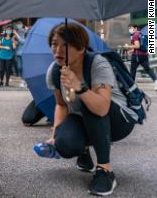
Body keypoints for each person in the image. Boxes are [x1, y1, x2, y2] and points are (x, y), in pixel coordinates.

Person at [45, 23, 137, 196]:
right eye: (54, 44)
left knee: (91, 106)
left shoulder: (98, 64)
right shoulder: (55, 71)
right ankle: (83, 150)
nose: (57, 51)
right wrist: (54, 134)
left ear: (81, 49)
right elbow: (61, 105)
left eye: (65, 46)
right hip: (86, 117)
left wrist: (79, 87)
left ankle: (105, 170)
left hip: (119, 120)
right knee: (63, 144)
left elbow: (102, 108)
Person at [123, 24, 157, 90]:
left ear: (135, 28)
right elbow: (140, 46)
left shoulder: (135, 35)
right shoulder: (142, 34)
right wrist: (132, 51)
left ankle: (131, 86)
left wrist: (128, 46)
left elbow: (137, 46)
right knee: (148, 69)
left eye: (131, 28)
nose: (130, 30)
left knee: (132, 70)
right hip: (144, 55)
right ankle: (156, 81)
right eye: (129, 28)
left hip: (137, 56)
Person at [13, 20, 27, 87]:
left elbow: (22, 41)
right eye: (17, 24)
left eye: (20, 24)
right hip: (18, 53)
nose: (18, 25)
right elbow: (14, 42)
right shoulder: (17, 33)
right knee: (19, 67)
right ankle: (22, 80)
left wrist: (16, 34)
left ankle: (25, 81)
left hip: (24, 53)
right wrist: (14, 42)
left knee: (24, 67)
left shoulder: (26, 33)